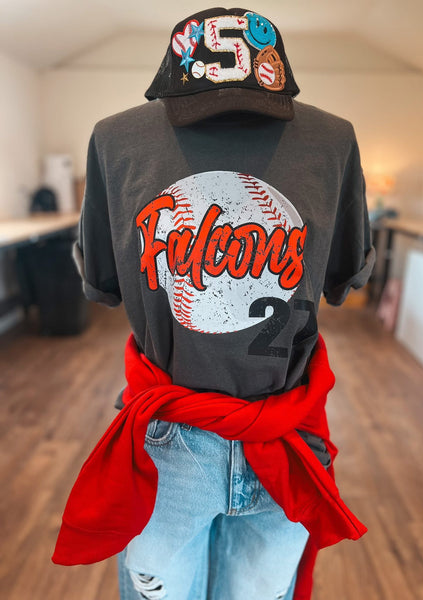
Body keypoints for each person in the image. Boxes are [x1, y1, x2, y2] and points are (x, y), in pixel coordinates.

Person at [52, 7, 376, 600]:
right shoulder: (114, 140)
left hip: (285, 438)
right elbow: (343, 279)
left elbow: (100, 284)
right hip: (171, 439)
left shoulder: (334, 141)